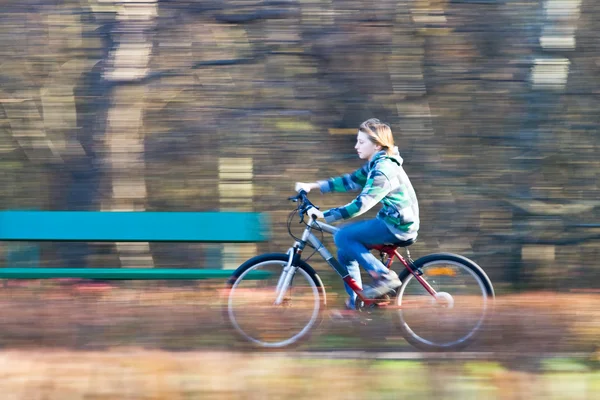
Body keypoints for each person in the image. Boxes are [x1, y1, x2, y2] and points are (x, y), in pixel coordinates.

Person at [295, 118, 419, 311]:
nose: (356, 146)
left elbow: (361, 204)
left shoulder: (384, 170)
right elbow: (350, 181)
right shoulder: (376, 163)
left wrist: (323, 215)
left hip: (399, 226)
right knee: (345, 252)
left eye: (361, 142)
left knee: (343, 235)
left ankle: (384, 277)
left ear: (377, 145)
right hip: (391, 220)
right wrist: (312, 186)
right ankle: (356, 305)